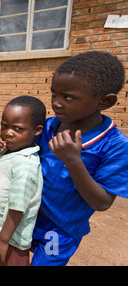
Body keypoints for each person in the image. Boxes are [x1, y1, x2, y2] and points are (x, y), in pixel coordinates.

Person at [31, 51, 128, 266]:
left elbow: (101, 202)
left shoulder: (115, 146)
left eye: (67, 97)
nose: (56, 103)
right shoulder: (47, 127)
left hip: (61, 228)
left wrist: (73, 161)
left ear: (105, 101)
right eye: (54, 93)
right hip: (26, 215)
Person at [0, 96, 46, 266]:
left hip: (9, 240)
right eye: (4, 126)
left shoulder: (25, 165)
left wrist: (3, 240)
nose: (7, 132)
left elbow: (17, 206)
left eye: (17, 128)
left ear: (37, 131)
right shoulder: (9, 150)